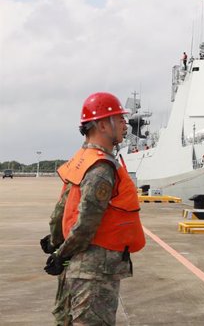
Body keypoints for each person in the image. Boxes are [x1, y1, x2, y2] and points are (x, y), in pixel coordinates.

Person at [43, 92, 145, 325]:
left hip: (78, 267)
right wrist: (60, 253)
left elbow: (63, 207)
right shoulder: (101, 168)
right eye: (118, 118)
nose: (124, 123)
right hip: (94, 272)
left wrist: (55, 241)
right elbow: (87, 223)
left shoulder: (83, 159)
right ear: (102, 124)